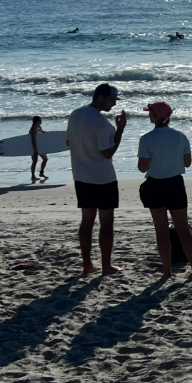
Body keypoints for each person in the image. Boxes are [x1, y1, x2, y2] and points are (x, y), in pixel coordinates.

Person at [66, 83, 126, 276]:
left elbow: (68, 141)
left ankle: (87, 265)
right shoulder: (101, 124)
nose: (114, 104)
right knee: (106, 223)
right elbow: (107, 153)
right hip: (102, 178)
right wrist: (120, 130)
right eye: (112, 100)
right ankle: (106, 266)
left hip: (81, 175)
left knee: (87, 221)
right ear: (101, 98)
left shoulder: (75, 114)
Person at [137, 101, 192, 278]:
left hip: (155, 185)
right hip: (175, 184)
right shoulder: (181, 137)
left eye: (150, 113)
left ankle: (167, 271)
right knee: (183, 229)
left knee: (162, 230)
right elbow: (187, 163)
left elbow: (142, 168)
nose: (149, 115)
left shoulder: (146, 139)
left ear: (155, 117)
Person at [29, 115, 48, 183]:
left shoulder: (39, 127)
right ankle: (33, 176)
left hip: (40, 147)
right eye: (40, 120)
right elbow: (33, 140)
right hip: (33, 147)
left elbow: (41, 134)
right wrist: (35, 150)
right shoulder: (32, 130)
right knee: (34, 161)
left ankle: (41, 173)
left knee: (45, 159)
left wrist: (44, 133)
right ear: (37, 121)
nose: (41, 121)